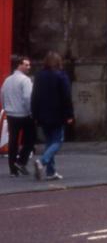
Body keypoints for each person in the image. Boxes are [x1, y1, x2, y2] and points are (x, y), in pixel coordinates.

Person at [30, 51, 74, 181]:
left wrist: (35, 114)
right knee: (58, 141)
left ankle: (51, 171)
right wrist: (69, 114)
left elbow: (35, 96)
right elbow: (66, 97)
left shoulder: (39, 76)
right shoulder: (61, 76)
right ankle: (42, 162)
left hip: (42, 114)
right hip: (57, 114)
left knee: (49, 141)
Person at [1, 56, 36, 177]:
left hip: (11, 114)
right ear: (19, 65)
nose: (28, 67)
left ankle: (12, 169)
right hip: (24, 114)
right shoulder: (25, 80)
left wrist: (6, 108)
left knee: (13, 141)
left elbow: (2, 94)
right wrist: (31, 111)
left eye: (29, 65)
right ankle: (21, 162)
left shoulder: (7, 80)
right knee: (30, 140)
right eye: (26, 65)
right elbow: (28, 98)